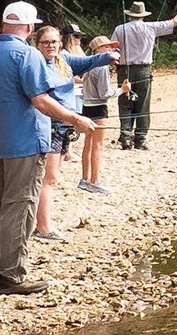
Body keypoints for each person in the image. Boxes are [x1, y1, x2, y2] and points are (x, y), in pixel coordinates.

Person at [0, 1, 98, 295]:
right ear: (29, 28)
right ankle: (11, 275)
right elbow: (40, 100)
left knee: (0, 205)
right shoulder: (27, 54)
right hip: (27, 142)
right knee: (21, 206)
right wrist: (75, 118)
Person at [33, 25, 118, 242]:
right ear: (37, 44)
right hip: (50, 126)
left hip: (65, 127)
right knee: (48, 179)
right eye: (45, 42)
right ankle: (43, 228)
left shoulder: (64, 60)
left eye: (54, 42)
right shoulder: (36, 63)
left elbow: (89, 62)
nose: (50, 46)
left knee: (53, 177)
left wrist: (109, 56)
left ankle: (42, 223)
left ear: (60, 43)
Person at [111, 0, 177, 150]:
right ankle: (140, 139)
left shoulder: (120, 29)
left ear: (129, 15)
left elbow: (113, 50)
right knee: (143, 105)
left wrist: (116, 63)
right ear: (143, 15)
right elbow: (175, 21)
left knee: (125, 104)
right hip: (144, 70)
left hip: (125, 70)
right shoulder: (151, 27)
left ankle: (125, 138)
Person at [79, 36, 126, 194]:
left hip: (86, 107)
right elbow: (104, 93)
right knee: (97, 146)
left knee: (88, 144)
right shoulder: (102, 68)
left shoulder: (87, 65)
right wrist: (122, 90)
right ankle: (95, 181)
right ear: (97, 50)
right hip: (99, 109)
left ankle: (84, 179)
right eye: (106, 47)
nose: (110, 50)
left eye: (110, 47)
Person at [60, 23, 86, 163]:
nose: (79, 40)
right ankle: (67, 151)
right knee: (68, 123)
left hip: (78, 92)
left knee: (72, 123)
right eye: (76, 37)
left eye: (80, 37)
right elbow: (67, 75)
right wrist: (85, 81)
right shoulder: (64, 54)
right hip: (70, 92)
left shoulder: (77, 52)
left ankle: (68, 150)